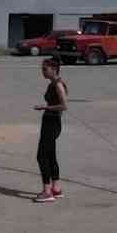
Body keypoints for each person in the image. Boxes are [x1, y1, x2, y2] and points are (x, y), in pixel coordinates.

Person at [32, 56, 68, 202]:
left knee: (41, 156)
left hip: (52, 122)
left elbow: (64, 106)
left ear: (54, 69)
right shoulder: (52, 83)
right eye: (42, 69)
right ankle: (56, 188)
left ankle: (47, 191)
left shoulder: (58, 85)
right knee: (51, 155)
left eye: (45, 69)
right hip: (49, 121)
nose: (43, 71)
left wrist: (45, 107)